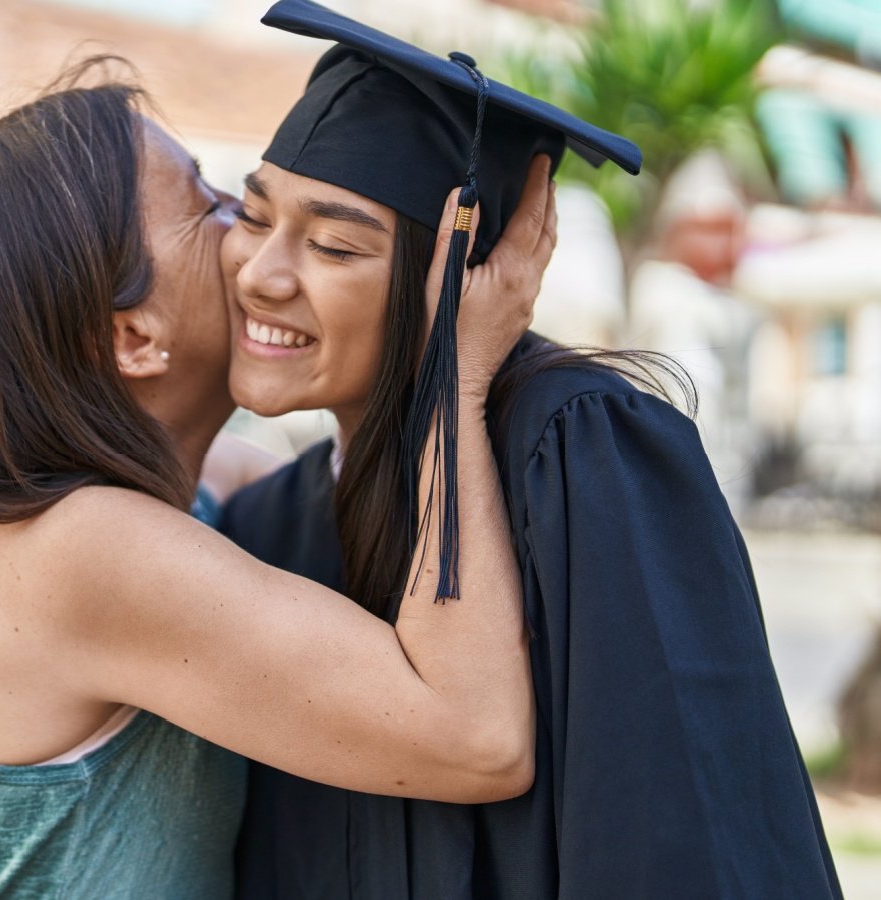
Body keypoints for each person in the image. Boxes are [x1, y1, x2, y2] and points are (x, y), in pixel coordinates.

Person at [0, 59, 559, 898]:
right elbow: (477, 736)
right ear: (133, 338)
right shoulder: (83, 550)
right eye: (212, 208)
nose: (251, 241)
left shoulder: (186, 497)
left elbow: (339, 481)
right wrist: (458, 365)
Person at [219, 2, 842, 897]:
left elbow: (684, 831)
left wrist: (451, 384)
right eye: (251, 214)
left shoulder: (582, 452)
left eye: (332, 244)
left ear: (463, 268)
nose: (260, 273)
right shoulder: (265, 524)